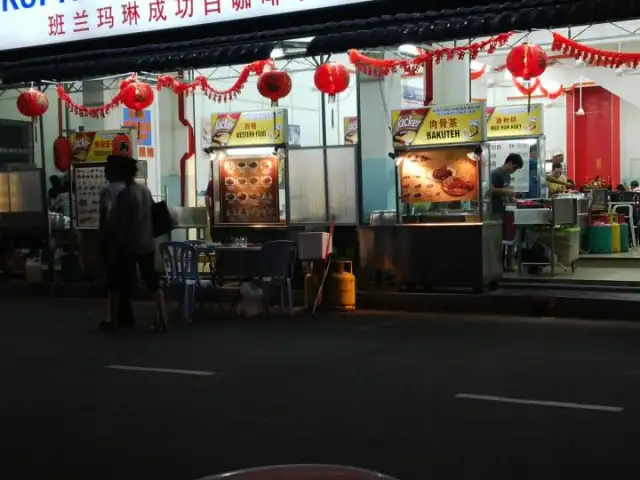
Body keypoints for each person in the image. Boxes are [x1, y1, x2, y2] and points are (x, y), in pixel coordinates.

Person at [110, 157, 168, 331]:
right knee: (152, 283)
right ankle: (162, 320)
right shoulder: (144, 190)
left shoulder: (125, 195)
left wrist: (114, 247)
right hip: (147, 243)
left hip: (129, 245)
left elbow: (121, 224)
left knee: (121, 284)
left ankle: (114, 320)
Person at [98, 155, 134, 330]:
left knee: (112, 281)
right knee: (126, 280)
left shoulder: (108, 190)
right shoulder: (131, 188)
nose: (105, 172)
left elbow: (106, 215)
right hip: (130, 239)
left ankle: (111, 318)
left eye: (107, 169)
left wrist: (102, 237)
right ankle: (125, 315)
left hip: (113, 239)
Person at [490, 153, 523, 218]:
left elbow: (505, 193)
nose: (515, 170)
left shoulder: (507, 176)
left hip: (503, 209)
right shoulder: (496, 173)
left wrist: (512, 199)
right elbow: (490, 190)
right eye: (515, 167)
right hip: (494, 210)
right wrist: (505, 191)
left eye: (517, 169)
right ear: (509, 162)